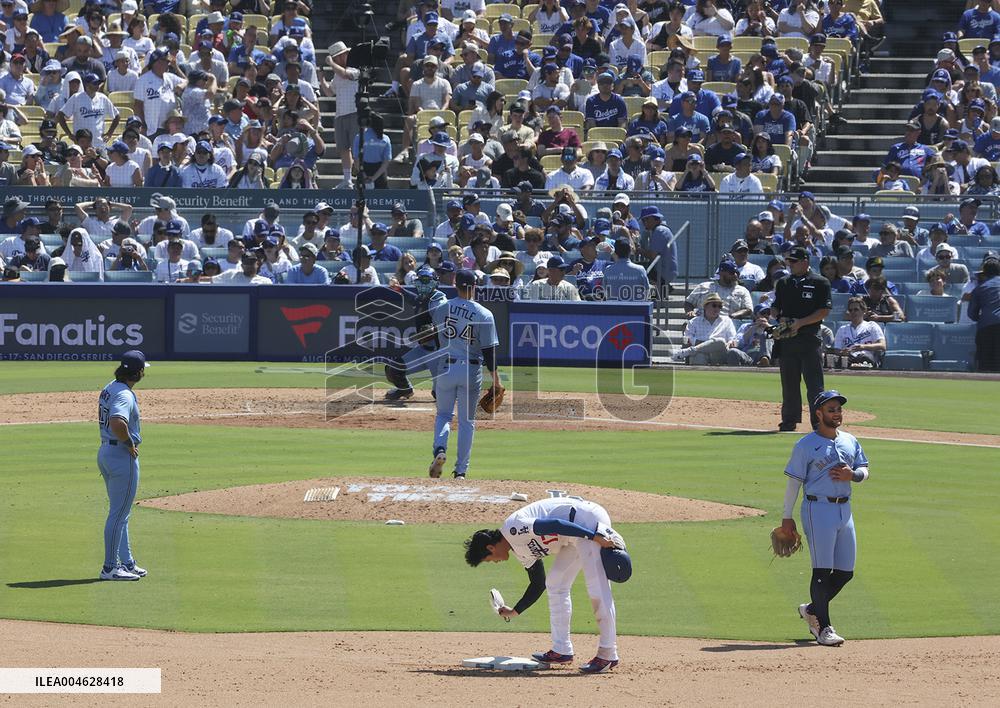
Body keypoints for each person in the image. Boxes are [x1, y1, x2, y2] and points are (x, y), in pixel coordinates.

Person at [463, 497, 628, 674]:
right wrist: (515, 611)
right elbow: (537, 584)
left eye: (488, 560)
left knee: (597, 586)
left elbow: (555, 525)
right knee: (555, 583)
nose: (493, 562)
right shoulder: (521, 553)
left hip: (585, 521)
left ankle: (608, 653)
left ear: (490, 548)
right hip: (572, 537)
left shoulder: (514, 528)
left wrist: (594, 536)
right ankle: (562, 650)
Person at [782, 390, 870, 647]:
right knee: (822, 570)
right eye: (831, 409)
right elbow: (793, 483)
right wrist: (787, 517)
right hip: (817, 509)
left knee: (845, 572)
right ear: (818, 413)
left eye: (839, 409)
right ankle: (824, 628)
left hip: (845, 510)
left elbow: (865, 468)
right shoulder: (805, 445)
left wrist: (852, 476)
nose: (837, 413)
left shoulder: (850, 441)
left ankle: (811, 610)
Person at [427, 268, 499, 479]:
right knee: (467, 421)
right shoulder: (484, 314)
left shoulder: (441, 309)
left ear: (455, 285)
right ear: (475, 286)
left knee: (443, 415)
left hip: (446, 367)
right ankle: (460, 471)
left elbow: (437, 342)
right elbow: (489, 351)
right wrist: (496, 380)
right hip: (471, 368)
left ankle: (440, 449)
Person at [97, 350, 150, 581]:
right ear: (138, 372)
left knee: (121, 513)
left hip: (106, 453)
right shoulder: (125, 395)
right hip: (120, 456)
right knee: (118, 515)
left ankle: (127, 563)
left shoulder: (111, 387)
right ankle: (110, 568)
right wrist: (129, 443)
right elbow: (118, 422)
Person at [772, 246, 832, 432]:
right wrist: (779, 317)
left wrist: (801, 323)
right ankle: (789, 420)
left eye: (794, 261)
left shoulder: (820, 282)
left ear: (805, 262)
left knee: (814, 385)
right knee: (789, 383)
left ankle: (818, 421)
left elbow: (824, 311)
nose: (790, 264)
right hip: (787, 339)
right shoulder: (783, 283)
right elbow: (776, 307)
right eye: (789, 261)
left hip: (809, 338)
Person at [384, 265, 449, 401]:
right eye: (421, 280)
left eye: (427, 280)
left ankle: (456, 389)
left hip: (439, 354)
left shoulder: (440, 302)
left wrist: (432, 331)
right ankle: (405, 389)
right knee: (393, 370)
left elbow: (447, 327)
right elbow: (413, 299)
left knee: (440, 395)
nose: (423, 283)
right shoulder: (422, 298)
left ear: (435, 282)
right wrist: (398, 288)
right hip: (422, 350)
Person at [672, 292, 737, 365]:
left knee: (720, 341)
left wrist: (730, 342)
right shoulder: (694, 321)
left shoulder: (727, 320)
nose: (717, 308)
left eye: (719, 306)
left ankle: (688, 351)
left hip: (719, 354)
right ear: (705, 306)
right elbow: (687, 338)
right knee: (700, 356)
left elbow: (732, 338)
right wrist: (706, 344)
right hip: (700, 353)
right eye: (714, 305)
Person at [833, 296, 885, 368]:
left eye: (856, 309)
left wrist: (863, 347)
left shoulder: (872, 326)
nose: (853, 312)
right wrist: (843, 353)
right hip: (849, 360)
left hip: (867, 359)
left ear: (864, 311)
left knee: (863, 358)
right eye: (850, 310)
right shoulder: (842, 329)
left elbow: (882, 345)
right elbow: (837, 350)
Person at [969, 255, 1000, 371]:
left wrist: (983, 318)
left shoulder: (979, 288)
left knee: (986, 364)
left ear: (984, 272)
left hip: (986, 327)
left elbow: (971, 314)